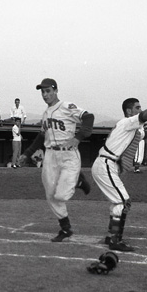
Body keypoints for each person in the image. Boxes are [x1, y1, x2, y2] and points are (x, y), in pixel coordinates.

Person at [91, 90, 147, 252]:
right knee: (123, 202)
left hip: (108, 165)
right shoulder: (126, 122)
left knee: (119, 202)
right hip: (106, 164)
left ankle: (111, 235)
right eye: (137, 107)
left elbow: (145, 134)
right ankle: (115, 239)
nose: (140, 110)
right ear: (129, 111)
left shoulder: (132, 128)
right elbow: (144, 117)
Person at [17, 78, 94, 242]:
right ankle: (65, 228)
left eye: (48, 91)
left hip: (68, 155)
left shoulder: (67, 106)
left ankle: (79, 181)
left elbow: (89, 117)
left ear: (55, 91)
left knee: (61, 195)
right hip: (50, 156)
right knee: (51, 195)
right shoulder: (45, 114)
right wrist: (27, 153)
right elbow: (41, 136)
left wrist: (79, 137)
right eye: (42, 92)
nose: (45, 95)